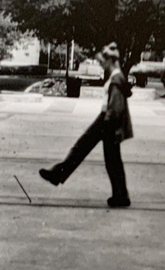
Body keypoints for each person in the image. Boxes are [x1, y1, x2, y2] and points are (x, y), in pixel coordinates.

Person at [39, 42, 133, 207]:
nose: (100, 65)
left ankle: (57, 174)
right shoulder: (117, 76)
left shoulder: (116, 78)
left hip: (107, 120)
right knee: (112, 160)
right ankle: (121, 195)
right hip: (108, 119)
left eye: (102, 62)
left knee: (82, 148)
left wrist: (107, 122)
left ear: (110, 60)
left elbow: (115, 106)